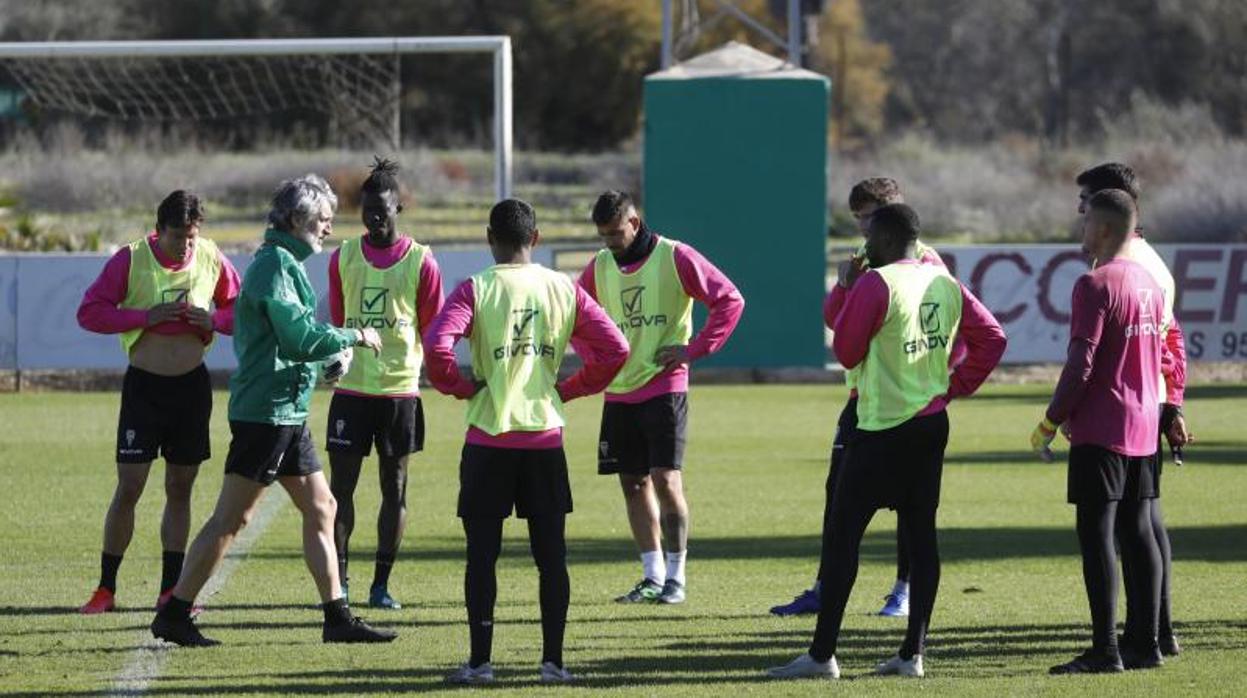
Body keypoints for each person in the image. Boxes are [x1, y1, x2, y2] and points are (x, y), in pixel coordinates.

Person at [150, 174, 396, 647]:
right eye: (323, 219)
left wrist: (324, 362)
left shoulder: (283, 263)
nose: (328, 228)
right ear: (297, 219)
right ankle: (175, 611)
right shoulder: (276, 267)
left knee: (323, 506)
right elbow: (299, 339)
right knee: (230, 520)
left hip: (285, 412)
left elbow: (295, 342)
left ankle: (337, 616)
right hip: (267, 414)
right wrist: (353, 336)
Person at [769, 204, 1006, 680]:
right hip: (930, 425)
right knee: (921, 538)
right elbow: (993, 339)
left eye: (870, 237)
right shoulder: (944, 281)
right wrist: (952, 388)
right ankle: (912, 654)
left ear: (888, 239)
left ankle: (822, 656)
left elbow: (846, 349)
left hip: (880, 429)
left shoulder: (878, 283)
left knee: (842, 538)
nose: (864, 246)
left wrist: (847, 286)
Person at [424, 198, 628, 684]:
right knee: (551, 558)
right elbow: (615, 349)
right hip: (542, 439)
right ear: (535, 240)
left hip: (489, 439)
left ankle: (480, 664)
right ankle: (553, 663)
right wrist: (569, 389)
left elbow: (436, 347)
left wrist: (460, 386)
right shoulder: (563, 288)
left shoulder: (476, 287)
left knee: (482, 558)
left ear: (489, 238)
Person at [771, 177, 945, 618]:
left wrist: (944, 382)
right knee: (838, 495)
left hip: (908, 403)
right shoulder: (864, 260)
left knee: (912, 507)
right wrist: (846, 285)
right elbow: (834, 319)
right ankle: (824, 587)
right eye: (859, 218)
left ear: (891, 212)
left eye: (869, 216)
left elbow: (952, 325)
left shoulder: (927, 263)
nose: (863, 227)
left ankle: (903, 591)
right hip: (863, 397)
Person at [76, 190, 239, 615]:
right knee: (129, 486)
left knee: (179, 488)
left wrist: (216, 320)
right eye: (177, 236)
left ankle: (170, 590)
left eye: (191, 236)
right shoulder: (130, 260)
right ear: (159, 229)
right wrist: (143, 316)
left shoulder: (210, 257)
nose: (186, 244)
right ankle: (105, 589)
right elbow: (89, 312)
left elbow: (240, 310)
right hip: (144, 390)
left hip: (191, 390)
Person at [578, 190, 744, 605]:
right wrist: (597, 362)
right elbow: (576, 319)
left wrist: (693, 349)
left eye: (616, 233)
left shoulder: (676, 257)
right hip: (618, 393)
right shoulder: (598, 267)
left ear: (634, 222)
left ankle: (676, 578)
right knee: (632, 484)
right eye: (603, 236)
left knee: (666, 480)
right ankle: (651, 576)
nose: (610, 243)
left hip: (663, 388)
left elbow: (729, 300)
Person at [1035, 189, 1166, 674]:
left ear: (1105, 229)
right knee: (1138, 532)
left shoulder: (1095, 284)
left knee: (1097, 538)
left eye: (1086, 219)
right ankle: (1146, 644)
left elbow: (1080, 364)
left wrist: (1050, 419)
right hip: (1144, 425)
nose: (1081, 226)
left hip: (1103, 428)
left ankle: (1105, 651)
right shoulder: (1148, 281)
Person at [1074, 163, 1191, 656]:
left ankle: (1144, 635)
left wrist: (1055, 417)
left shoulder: (1124, 270)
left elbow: (1168, 342)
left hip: (1121, 412)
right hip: (1146, 406)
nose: (1078, 211)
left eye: (1086, 203)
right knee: (1143, 524)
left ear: (1110, 208)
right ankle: (1153, 636)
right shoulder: (1145, 264)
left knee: (1132, 527)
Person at [325, 158, 444, 609]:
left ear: (400, 208)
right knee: (342, 489)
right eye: (368, 211)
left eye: (384, 210)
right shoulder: (344, 258)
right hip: (353, 389)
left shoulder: (420, 261)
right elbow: (339, 322)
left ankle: (381, 584)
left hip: (399, 392)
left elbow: (432, 328)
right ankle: (342, 583)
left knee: (395, 488)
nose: (375, 219)